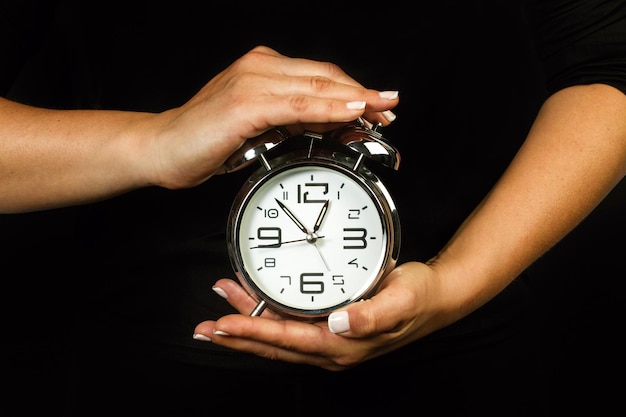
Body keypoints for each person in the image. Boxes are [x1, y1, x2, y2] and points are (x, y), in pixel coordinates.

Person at [1, 1, 624, 416]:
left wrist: (457, 281)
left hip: (461, 346)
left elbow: (609, 61)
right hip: (134, 367)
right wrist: (155, 140)